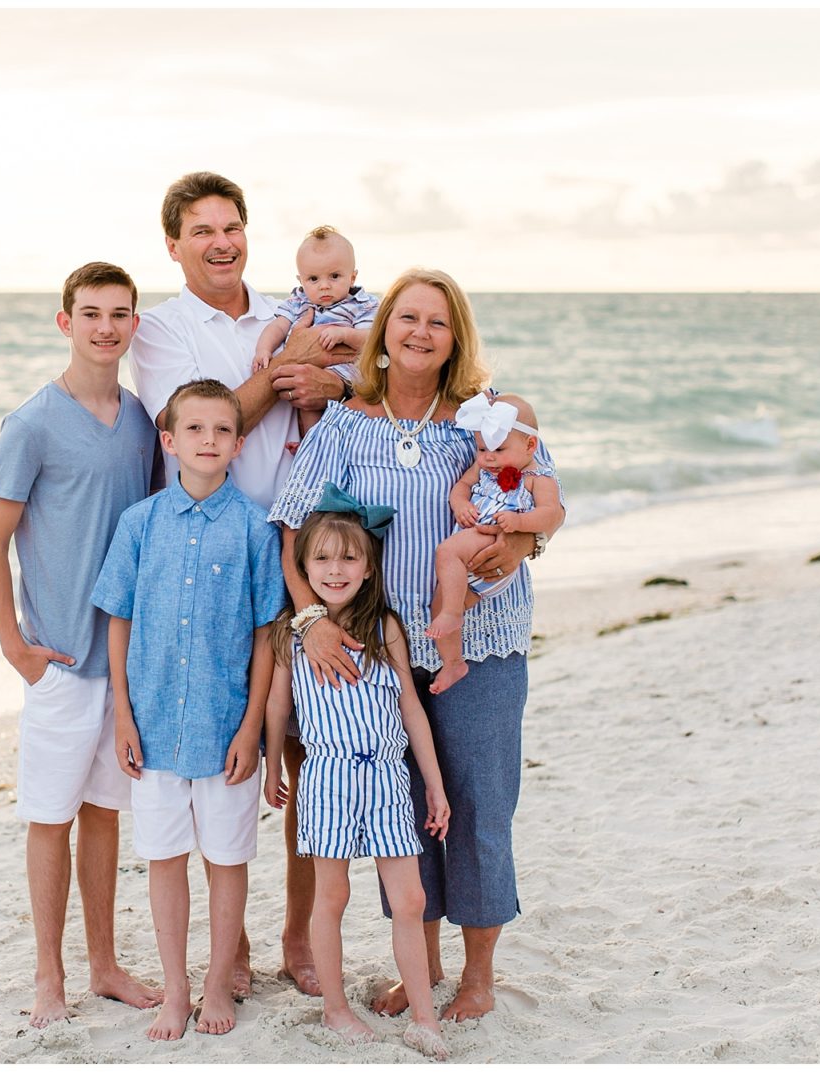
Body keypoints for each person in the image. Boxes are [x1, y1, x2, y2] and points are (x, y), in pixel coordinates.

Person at [268, 268, 564, 1024]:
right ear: (384, 330)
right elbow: (292, 530)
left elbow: (546, 507)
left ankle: (478, 976)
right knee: (404, 817)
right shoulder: (346, 423)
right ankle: (422, 967)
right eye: (407, 318)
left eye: (437, 321)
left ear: (455, 337)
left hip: (484, 643)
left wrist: (521, 545)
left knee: (478, 806)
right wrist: (313, 621)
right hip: (377, 655)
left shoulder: (486, 420)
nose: (419, 333)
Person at [129, 171, 352, 998]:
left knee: (300, 752)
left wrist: (332, 378)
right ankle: (234, 946)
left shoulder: (289, 312)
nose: (223, 242)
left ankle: (298, 934)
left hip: (299, 548)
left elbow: (361, 371)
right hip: (211, 561)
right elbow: (209, 421)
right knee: (225, 754)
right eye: (203, 231)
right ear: (174, 244)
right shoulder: (159, 332)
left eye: (234, 226)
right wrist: (290, 366)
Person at [0, 262, 164, 1028]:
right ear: (65, 322)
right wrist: (16, 649)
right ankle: (48, 976)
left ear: (133, 325)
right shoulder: (31, 424)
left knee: (104, 817)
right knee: (50, 817)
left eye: (120, 313)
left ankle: (105, 964)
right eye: (91, 313)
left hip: (123, 664)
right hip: (57, 660)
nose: (106, 327)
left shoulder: (144, 421)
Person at [90, 378, 285, 1040]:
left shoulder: (255, 528)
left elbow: (265, 634)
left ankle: (215, 982)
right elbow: (118, 619)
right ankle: (176, 989)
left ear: (238, 441)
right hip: (152, 728)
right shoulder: (138, 524)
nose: (208, 441)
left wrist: (253, 724)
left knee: (227, 859)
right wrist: (122, 713)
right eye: (194, 429)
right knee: (165, 856)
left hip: (226, 726)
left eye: (221, 430)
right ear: (169, 441)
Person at [262, 497, 452, 1059]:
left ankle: (424, 1017)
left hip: (389, 778)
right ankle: (336, 1009)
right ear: (303, 567)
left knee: (411, 897)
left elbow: (411, 710)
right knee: (333, 896)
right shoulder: (290, 636)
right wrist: (273, 763)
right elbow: (277, 708)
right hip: (326, 779)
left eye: (348, 559)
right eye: (321, 559)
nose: (335, 570)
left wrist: (435, 784)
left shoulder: (384, 626)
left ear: (369, 567)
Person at [425, 390, 560, 694]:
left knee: (447, 552)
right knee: (441, 598)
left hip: (495, 547)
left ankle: (453, 614)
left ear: (530, 445)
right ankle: (453, 662)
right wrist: (460, 504)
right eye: (482, 449)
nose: (488, 457)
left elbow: (551, 515)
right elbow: (462, 485)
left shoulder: (539, 478)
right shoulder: (485, 469)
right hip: (477, 564)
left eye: (498, 449)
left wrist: (521, 523)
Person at [250, 225, 379, 447]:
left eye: (335, 276)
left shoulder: (361, 305)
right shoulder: (299, 302)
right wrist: (263, 349)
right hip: (307, 375)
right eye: (313, 279)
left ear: (352, 277)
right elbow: (278, 327)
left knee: (351, 415)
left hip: (348, 375)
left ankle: (329, 447)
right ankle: (312, 446)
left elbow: (371, 340)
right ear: (301, 281)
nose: (324, 286)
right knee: (306, 405)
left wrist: (345, 334)